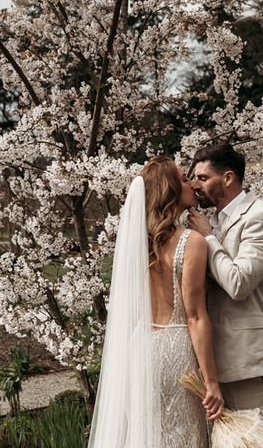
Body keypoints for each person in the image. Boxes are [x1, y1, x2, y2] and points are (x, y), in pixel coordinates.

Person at [88, 156, 223, 448]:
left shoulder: (138, 243)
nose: (192, 184)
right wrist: (211, 381)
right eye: (184, 179)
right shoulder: (191, 242)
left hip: (139, 349)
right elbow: (195, 316)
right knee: (183, 437)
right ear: (171, 190)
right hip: (177, 353)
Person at [188, 142, 263, 417]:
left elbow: (239, 284)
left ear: (228, 178)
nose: (196, 186)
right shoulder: (211, 222)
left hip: (246, 362)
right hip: (208, 365)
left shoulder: (261, 217)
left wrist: (208, 238)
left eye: (203, 178)